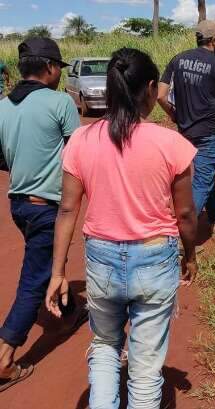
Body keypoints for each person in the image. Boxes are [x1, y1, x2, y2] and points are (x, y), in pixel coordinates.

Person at [44, 48, 199, 408]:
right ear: (149, 88)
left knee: (104, 346)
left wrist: (58, 272)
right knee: (145, 368)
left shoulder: (81, 140)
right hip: (155, 257)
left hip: (102, 259)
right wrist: (190, 255)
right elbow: (186, 214)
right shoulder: (171, 143)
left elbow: (67, 209)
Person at [0, 37, 82, 392]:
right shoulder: (60, 102)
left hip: (18, 203)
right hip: (46, 207)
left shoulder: (2, 106)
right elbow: (79, 153)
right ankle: (4, 357)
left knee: (45, 261)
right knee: (34, 279)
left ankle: (67, 312)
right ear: (50, 68)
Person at [158, 20, 215, 241]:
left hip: (185, 133)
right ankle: (178, 238)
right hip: (209, 134)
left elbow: (160, 95)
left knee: (206, 178)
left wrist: (173, 114)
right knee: (201, 182)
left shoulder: (178, 60)